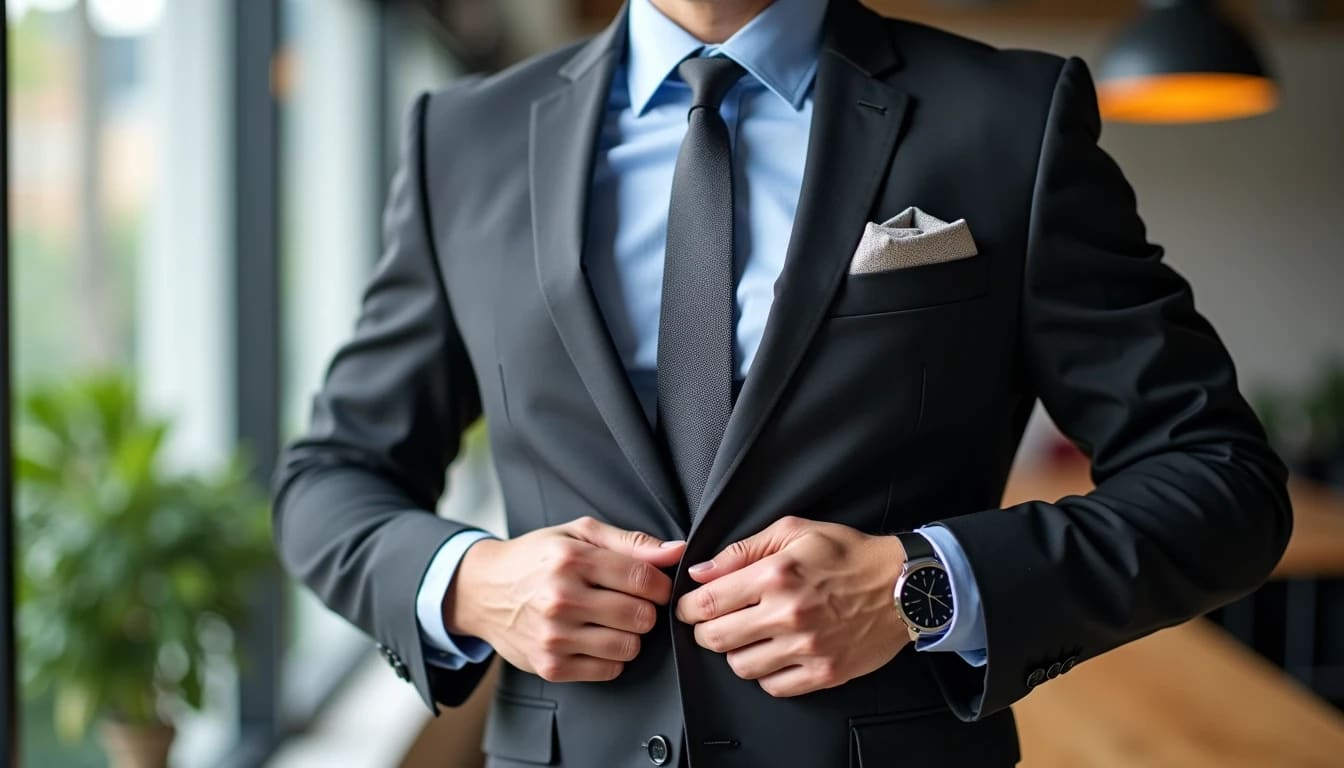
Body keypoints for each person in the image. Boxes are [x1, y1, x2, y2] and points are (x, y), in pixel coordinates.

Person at [271, 0, 1293, 765]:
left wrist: (923, 585)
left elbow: (1222, 483)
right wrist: (471, 584)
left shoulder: (1009, 119)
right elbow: (330, 478)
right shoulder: (464, 139)